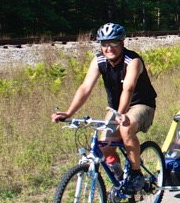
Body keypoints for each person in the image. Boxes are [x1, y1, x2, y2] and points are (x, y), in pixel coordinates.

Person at [51, 22, 157, 194]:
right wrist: (69, 112)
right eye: (104, 44)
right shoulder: (99, 60)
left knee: (126, 128)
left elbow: (128, 88)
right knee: (105, 146)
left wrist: (121, 114)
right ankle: (122, 181)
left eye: (114, 43)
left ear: (122, 43)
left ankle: (136, 174)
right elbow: (86, 87)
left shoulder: (133, 61)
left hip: (141, 104)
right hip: (116, 108)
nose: (109, 48)